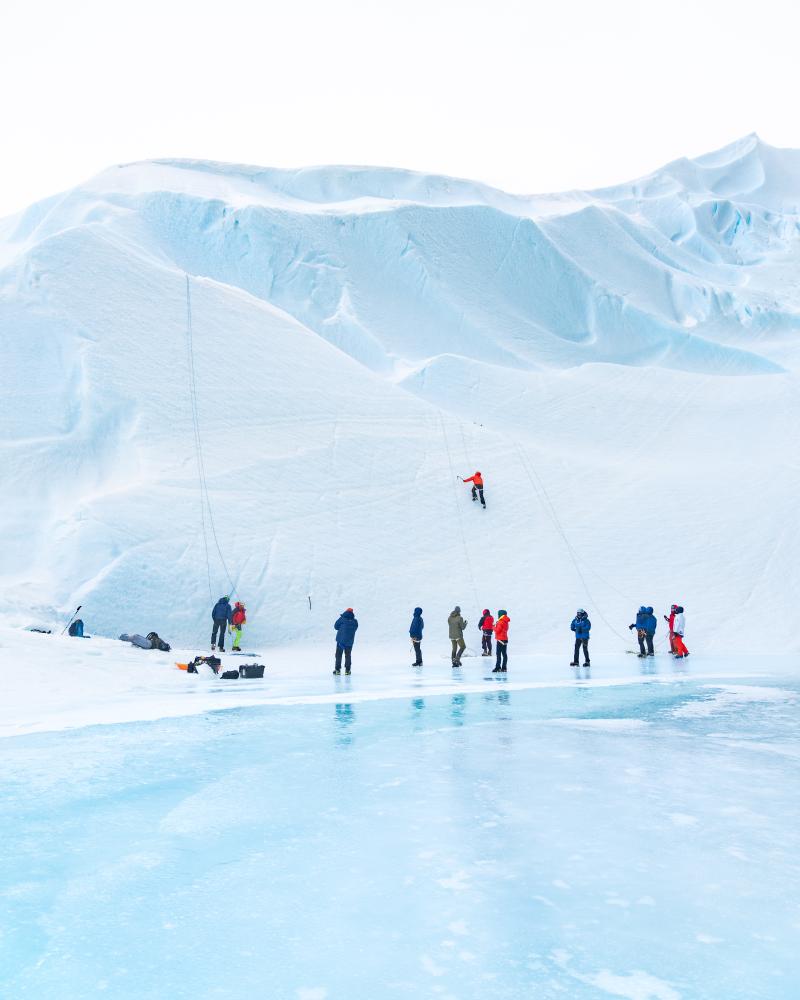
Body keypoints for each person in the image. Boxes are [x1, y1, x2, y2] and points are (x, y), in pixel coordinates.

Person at [333, 607, 358, 675]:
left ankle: (337, 670)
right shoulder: (355, 621)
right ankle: (347, 670)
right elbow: (355, 628)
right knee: (348, 655)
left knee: (338, 655)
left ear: (346, 612)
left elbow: (335, 626)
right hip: (349, 642)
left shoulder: (342, 619)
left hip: (340, 641)